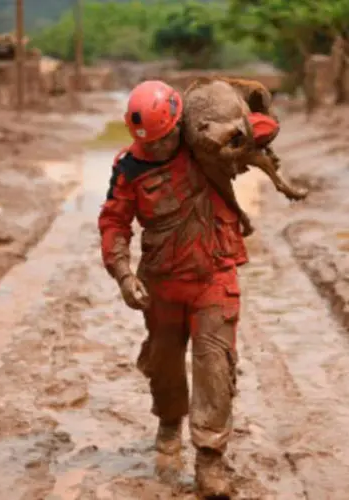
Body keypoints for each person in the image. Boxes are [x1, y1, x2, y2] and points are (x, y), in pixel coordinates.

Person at [97, 80, 278, 498]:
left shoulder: (204, 144)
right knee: (164, 366)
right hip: (161, 284)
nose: (160, 150)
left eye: (166, 140)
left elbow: (262, 127)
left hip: (214, 276)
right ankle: (168, 419)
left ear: (180, 123)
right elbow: (114, 223)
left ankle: (209, 459)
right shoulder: (128, 168)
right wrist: (124, 275)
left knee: (215, 366)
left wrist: (228, 115)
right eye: (152, 143)